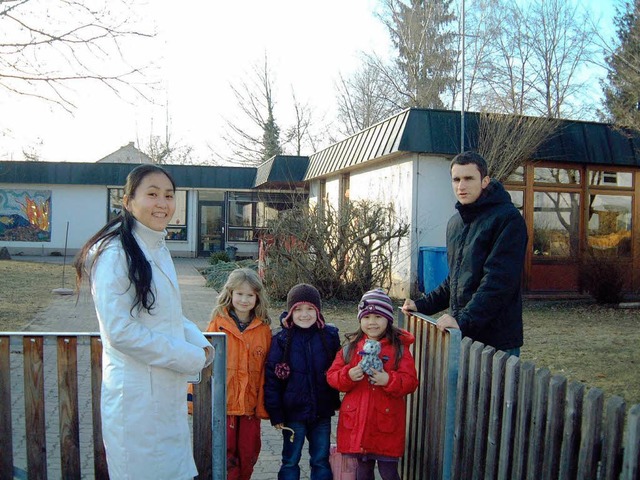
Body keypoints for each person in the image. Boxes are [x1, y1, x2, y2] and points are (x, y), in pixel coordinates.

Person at [73, 164, 215, 479]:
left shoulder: (156, 246)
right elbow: (119, 332)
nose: (162, 203)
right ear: (128, 201)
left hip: (165, 396)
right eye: (152, 194)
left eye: (168, 195)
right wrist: (190, 356)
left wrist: (201, 343)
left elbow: (167, 314)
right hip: (135, 402)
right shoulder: (114, 254)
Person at [402, 151, 528, 356]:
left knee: (492, 390)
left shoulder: (508, 219)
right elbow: (455, 280)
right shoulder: (455, 223)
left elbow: (499, 281)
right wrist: (421, 305)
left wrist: (463, 320)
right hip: (462, 335)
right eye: (456, 179)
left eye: (469, 178)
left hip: (496, 340)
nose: (461, 186)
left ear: (485, 180)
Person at [327, 288, 419, 480]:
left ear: (388, 319)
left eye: (378, 316)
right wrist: (348, 375)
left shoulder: (399, 349)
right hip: (358, 425)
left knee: (389, 473)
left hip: (386, 426)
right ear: (360, 319)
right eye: (367, 317)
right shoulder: (351, 348)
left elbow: (410, 382)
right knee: (363, 472)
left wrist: (389, 380)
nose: (372, 322)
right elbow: (332, 376)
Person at [264, 283, 341, 480]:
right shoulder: (281, 339)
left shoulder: (330, 337)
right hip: (292, 414)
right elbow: (272, 380)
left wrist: (335, 401)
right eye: (298, 309)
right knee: (290, 460)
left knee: (321, 459)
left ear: (318, 311)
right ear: (290, 312)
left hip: (321, 412)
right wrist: (276, 413)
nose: (304, 314)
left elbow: (338, 369)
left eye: (310, 309)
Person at [201, 267, 272, 480]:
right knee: (225, 453)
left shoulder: (264, 329)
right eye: (239, 294)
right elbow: (203, 362)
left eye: (250, 295)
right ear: (230, 294)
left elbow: (267, 370)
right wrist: (194, 401)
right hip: (225, 405)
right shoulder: (217, 325)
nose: (244, 300)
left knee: (249, 453)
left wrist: (267, 404)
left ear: (257, 297)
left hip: (250, 406)